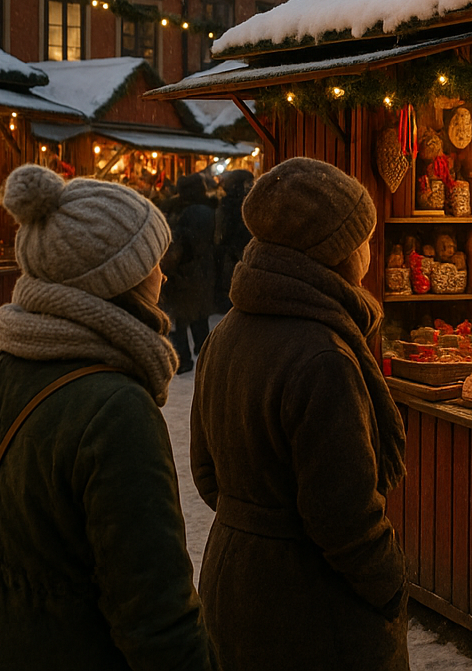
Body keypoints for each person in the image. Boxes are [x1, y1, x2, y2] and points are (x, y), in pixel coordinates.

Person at [0, 165, 214, 670]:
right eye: (152, 261)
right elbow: (157, 614)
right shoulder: (117, 409)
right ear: (116, 278)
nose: (163, 274)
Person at [191, 157, 408, 670]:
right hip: (310, 608)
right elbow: (345, 517)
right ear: (337, 251)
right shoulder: (323, 356)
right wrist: (391, 586)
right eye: (364, 238)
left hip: (233, 580)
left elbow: (206, 472)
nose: (370, 250)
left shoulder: (228, 332)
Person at [161, 172, 217, 370]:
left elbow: (183, 245)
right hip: (203, 272)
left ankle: (183, 359)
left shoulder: (185, 212)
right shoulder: (209, 208)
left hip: (185, 273)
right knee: (199, 318)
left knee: (180, 320)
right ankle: (206, 357)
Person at [214, 168, 255, 313]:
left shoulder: (226, 204)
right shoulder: (243, 204)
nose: (252, 185)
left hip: (234, 255)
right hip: (238, 255)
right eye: (249, 182)